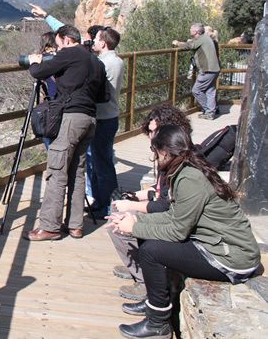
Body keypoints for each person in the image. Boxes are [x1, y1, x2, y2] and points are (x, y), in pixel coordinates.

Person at [108, 125, 261, 339]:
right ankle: (155, 303)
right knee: (148, 235)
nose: (155, 157)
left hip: (232, 258)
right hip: (219, 246)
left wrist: (134, 227)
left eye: (155, 152)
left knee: (152, 251)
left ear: (165, 152)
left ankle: (157, 324)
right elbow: (174, 215)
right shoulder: (187, 169)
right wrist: (137, 221)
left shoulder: (189, 178)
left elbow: (178, 230)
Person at [23, 24, 107, 241]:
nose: (58, 50)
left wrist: (34, 62)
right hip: (89, 119)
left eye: (59, 44)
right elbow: (103, 95)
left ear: (66, 40)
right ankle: (75, 226)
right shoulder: (96, 62)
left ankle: (50, 227)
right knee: (77, 172)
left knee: (57, 170)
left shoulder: (69, 53)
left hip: (70, 118)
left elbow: (39, 72)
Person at [109, 104, 192, 302]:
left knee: (119, 225)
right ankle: (136, 264)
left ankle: (144, 280)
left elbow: (165, 205)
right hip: (171, 214)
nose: (152, 136)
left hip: (176, 221)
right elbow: (160, 190)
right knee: (120, 215)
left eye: (155, 131)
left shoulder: (180, 160)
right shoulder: (172, 153)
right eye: (151, 131)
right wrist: (135, 195)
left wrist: (132, 207)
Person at [87, 28, 125, 217]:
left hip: (102, 118)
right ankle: (100, 202)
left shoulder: (103, 63)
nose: (92, 42)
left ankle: (108, 206)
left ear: (103, 43)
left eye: (95, 39)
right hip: (110, 116)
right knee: (100, 162)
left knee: (102, 165)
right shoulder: (117, 60)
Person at [172, 23, 220, 119]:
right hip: (214, 69)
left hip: (207, 70)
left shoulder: (202, 39)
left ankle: (209, 111)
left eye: (191, 29)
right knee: (210, 91)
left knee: (196, 90)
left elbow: (189, 46)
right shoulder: (205, 38)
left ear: (196, 31)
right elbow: (192, 43)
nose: (190, 30)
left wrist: (177, 43)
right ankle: (211, 111)